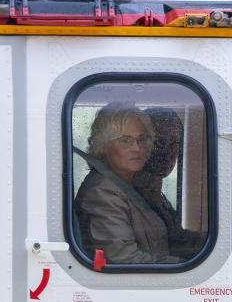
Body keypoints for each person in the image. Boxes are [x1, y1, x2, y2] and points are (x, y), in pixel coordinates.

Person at [74, 103, 182, 265]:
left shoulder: (133, 186)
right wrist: (184, 264)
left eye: (143, 139)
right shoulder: (103, 192)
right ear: (103, 145)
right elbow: (124, 260)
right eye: (125, 141)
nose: (137, 148)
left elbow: (171, 238)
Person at [131, 108, 207, 260]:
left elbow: (175, 239)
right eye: (159, 142)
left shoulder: (153, 189)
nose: (168, 152)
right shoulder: (130, 189)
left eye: (174, 143)